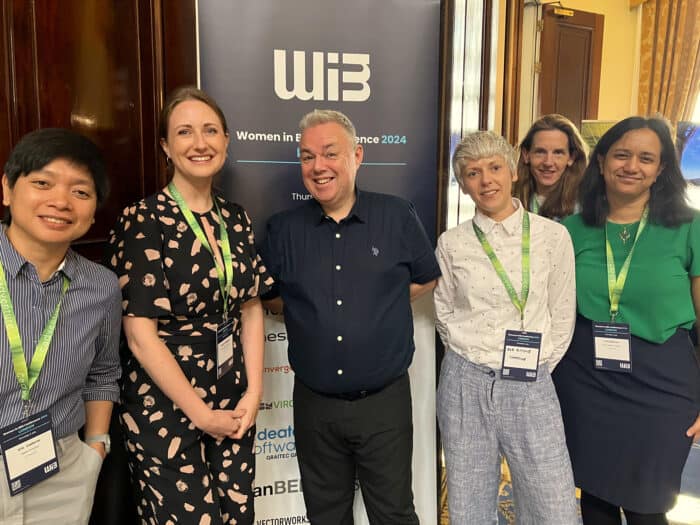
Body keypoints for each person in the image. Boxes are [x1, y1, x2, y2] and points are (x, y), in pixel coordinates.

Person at [261, 109, 440, 524]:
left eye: (330, 153)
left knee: (394, 513)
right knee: (325, 515)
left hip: (384, 404)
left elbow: (426, 278)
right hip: (314, 406)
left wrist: (381, 302)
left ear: (357, 156)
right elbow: (269, 298)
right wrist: (313, 309)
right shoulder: (283, 230)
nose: (318, 167)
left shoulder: (396, 215)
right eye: (307, 157)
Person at [104, 86, 272, 524]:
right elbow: (140, 338)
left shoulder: (235, 217)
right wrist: (199, 414)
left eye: (210, 130)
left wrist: (254, 391)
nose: (200, 143)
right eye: (184, 132)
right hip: (166, 402)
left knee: (236, 514)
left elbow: (251, 306)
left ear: (227, 140)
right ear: (165, 146)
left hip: (231, 393)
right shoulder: (142, 219)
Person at [552, 116, 700, 525]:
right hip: (587, 380)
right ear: (600, 163)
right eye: (621, 154)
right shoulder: (570, 230)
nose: (631, 166)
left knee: (648, 505)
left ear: (661, 169)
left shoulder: (690, 227)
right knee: (595, 499)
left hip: (663, 384)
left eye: (646, 158)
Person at [434, 130, 578, 524]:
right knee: (469, 502)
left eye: (495, 167)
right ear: (463, 184)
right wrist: (474, 358)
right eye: (473, 173)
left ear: (513, 170)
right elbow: (444, 313)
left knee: (553, 503)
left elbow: (562, 314)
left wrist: (537, 363)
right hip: (465, 382)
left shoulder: (553, 237)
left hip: (532, 382)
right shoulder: (452, 243)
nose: (487, 180)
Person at [0, 128, 121, 524]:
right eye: (42, 183)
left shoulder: (100, 286)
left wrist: (95, 450)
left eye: (80, 192)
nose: (60, 202)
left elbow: (103, 373)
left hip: (62, 471)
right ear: (7, 189)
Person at [513, 113, 587, 219]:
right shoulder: (510, 199)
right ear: (526, 155)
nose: (548, 162)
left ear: (571, 158)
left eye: (558, 153)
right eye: (540, 152)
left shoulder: (585, 206)